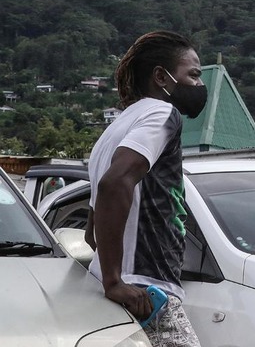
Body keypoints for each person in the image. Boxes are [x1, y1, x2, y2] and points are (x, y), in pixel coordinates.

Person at [84, 30, 206, 346]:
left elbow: (90, 231)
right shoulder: (162, 113)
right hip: (146, 291)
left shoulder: (115, 129)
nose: (198, 85)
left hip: (117, 290)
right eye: (192, 75)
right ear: (161, 77)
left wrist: (111, 277)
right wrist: (116, 280)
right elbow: (115, 183)